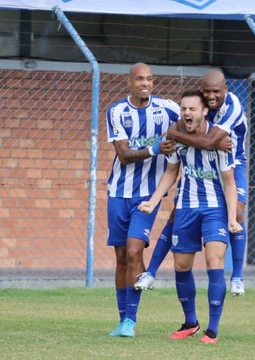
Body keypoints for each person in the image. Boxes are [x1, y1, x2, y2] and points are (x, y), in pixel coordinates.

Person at [139, 89, 242, 344]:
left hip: (214, 208)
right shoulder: (178, 139)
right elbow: (171, 172)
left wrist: (231, 217)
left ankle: (213, 330)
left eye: (192, 108)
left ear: (205, 111)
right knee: (181, 265)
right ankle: (190, 322)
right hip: (185, 207)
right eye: (184, 108)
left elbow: (229, 182)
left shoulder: (220, 140)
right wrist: (153, 201)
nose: (187, 113)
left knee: (214, 261)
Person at [136, 69, 249, 296]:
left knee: (235, 212)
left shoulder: (233, 107)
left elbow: (209, 141)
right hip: (200, 167)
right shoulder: (196, 106)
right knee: (177, 214)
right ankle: (151, 272)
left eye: (216, 91)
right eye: (206, 91)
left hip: (232, 163)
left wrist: (175, 135)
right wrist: (173, 134)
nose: (211, 96)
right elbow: (198, 138)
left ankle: (237, 276)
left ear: (225, 89)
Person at [105, 63, 180, 338]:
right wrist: (156, 148)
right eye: (139, 79)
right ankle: (122, 319)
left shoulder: (167, 108)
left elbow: (191, 119)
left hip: (148, 195)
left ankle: (131, 321)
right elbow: (123, 155)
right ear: (129, 82)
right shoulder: (116, 111)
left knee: (135, 250)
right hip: (118, 193)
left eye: (149, 79)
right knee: (121, 256)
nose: (145, 83)